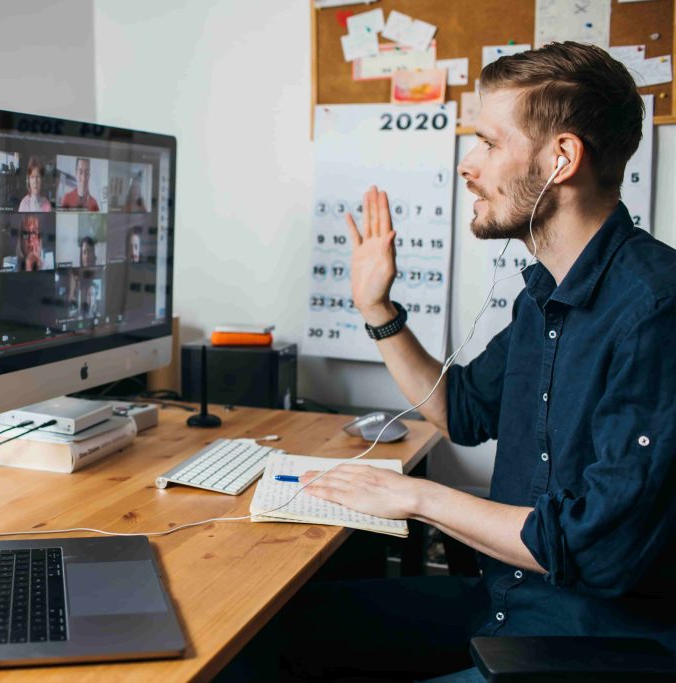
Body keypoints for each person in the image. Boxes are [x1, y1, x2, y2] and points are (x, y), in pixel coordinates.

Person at [269, 42, 676, 682]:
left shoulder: (656, 309)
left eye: (487, 142)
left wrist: (418, 498)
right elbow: (458, 410)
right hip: (506, 607)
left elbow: (598, 551)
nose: (467, 164)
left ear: (561, 159)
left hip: (589, 647)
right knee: (275, 633)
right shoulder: (543, 294)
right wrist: (378, 308)